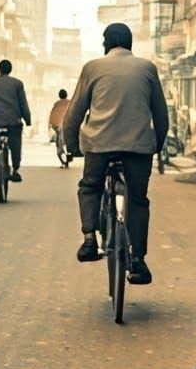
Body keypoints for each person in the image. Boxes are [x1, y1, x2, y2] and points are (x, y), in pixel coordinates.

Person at [63, 23, 167, 283]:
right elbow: (161, 115)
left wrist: (72, 146)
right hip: (138, 147)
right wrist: (157, 145)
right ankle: (138, 260)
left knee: (89, 186)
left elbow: (73, 114)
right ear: (130, 44)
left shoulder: (92, 67)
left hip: (99, 145)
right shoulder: (147, 68)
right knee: (138, 200)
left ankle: (89, 240)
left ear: (105, 44)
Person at [0, 60, 31, 182]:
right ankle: (15, 170)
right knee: (15, 144)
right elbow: (23, 104)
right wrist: (27, 119)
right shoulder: (18, 84)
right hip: (14, 122)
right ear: (10, 70)